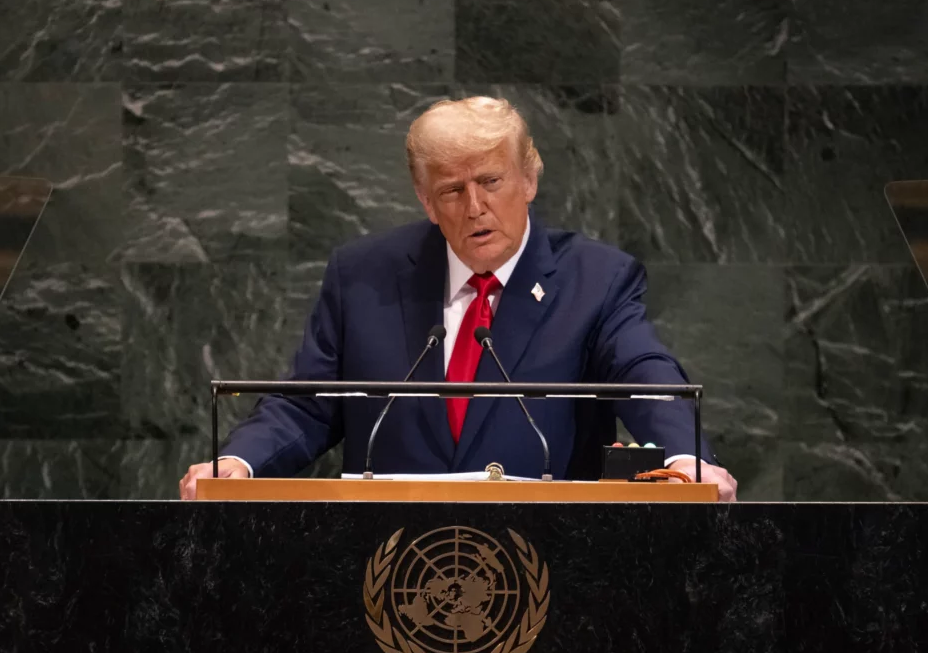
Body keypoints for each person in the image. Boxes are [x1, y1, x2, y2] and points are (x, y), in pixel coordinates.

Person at [179, 97, 738, 501]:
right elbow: (308, 402)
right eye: (452, 189)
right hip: (388, 565)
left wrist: (687, 460)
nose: (474, 207)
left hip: (551, 567)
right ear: (426, 200)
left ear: (530, 180)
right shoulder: (363, 276)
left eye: (491, 182)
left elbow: (644, 376)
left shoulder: (597, 279)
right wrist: (238, 461)